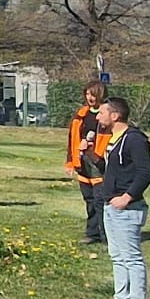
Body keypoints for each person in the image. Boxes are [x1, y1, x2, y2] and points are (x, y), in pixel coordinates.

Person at [94, 96, 150, 299]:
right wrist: (89, 154)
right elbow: (112, 168)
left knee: (131, 257)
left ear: (115, 115)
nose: (98, 116)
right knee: (117, 255)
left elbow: (146, 173)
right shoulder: (113, 139)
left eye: (102, 112)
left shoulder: (134, 140)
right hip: (110, 206)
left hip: (127, 209)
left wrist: (127, 197)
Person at [64, 80, 112, 244]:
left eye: (92, 94)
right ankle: (92, 233)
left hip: (99, 163)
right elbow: (72, 139)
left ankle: (107, 235)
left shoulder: (108, 114)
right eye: (87, 94)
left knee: (100, 200)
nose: (89, 97)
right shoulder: (81, 115)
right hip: (82, 162)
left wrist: (91, 146)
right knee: (89, 200)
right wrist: (71, 161)